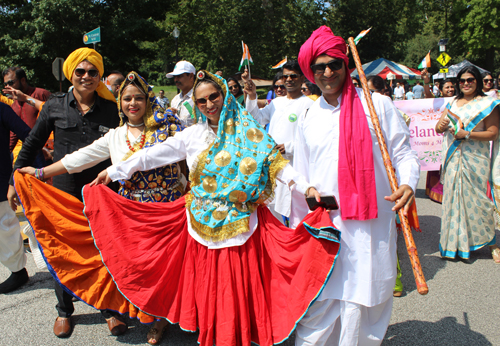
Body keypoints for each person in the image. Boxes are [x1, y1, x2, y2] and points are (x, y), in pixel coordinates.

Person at [23, 70, 341, 346]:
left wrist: (307, 187)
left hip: (244, 224)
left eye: (213, 96)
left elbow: (277, 165)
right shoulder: (192, 135)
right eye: (201, 101)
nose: (208, 104)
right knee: (212, 288)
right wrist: (114, 171)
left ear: (223, 95)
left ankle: (238, 335)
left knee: (237, 287)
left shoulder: (249, 133)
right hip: (200, 225)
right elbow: (152, 155)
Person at [15, 71, 185, 345]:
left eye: (139, 97)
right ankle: (149, 314)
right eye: (127, 98)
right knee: (142, 267)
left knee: (167, 267)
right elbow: (78, 159)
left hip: (166, 209)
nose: (133, 103)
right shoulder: (116, 136)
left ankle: (165, 318)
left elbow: (192, 153)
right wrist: (40, 173)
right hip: (131, 210)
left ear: (148, 100)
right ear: (120, 104)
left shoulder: (165, 128)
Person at [294, 25, 419, 345]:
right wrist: (307, 194)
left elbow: (405, 155)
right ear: (310, 72)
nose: (327, 72)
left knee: (366, 302)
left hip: (371, 227)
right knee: (319, 306)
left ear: (344, 64)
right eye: (318, 67)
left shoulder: (377, 105)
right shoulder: (308, 114)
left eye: (333, 63)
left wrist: (408, 184)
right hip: (327, 227)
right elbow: (300, 173)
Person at [9, 48, 125, 339]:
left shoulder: (112, 109)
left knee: (103, 249)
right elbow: (33, 142)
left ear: (100, 76)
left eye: (93, 72)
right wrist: (15, 178)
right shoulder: (55, 105)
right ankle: (64, 311)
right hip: (62, 192)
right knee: (63, 251)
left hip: (101, 191)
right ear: (71, 74)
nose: (86, 77)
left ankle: (109, 308)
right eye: (80, 72)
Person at [435, 65, 500, 262]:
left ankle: (491, 242)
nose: (466, 84)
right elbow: (439, 128)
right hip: (453, 159)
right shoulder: (453, 103)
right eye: (462, 81)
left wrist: (468, 134)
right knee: (454, 201)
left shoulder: (488, 103)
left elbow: (493, 133)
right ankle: (455, 244)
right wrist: (441, 126)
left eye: (470, 80)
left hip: (476, 160)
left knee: (480, 202)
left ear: (478, 82)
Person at [243, 60, 314, 223]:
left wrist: (288, 147)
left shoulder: (309, 104)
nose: (288, 79)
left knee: (297, 212)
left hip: (297, 165)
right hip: (273, 167)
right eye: (285, 76)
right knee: (273, 211)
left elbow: (313, 138)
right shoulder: (276, 102)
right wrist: (252, 96)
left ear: (302, 78)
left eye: (293, 76)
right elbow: (255, 119)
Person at [0, 103, 31, 294]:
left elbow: (28, 135)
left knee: (5, 227)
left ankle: (18, 271)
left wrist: (17, 169)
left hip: (0, 180)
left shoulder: (1, 109)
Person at [421, 69, 456, 204]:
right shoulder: (439, 101)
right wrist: (426, 82)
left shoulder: (459, 100)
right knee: (436, 164)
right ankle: (437, 191)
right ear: (441, 90)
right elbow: (428, 94)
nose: (450, 89)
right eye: (447, 87)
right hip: (438, 138)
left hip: (454, 137)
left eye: (452, 87)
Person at [2, 67, 51, 157]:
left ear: (23, 80)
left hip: (48, 152)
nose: (8, 87)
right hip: (30, 153)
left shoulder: (41, 94)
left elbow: (58, 116)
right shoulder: (14, 104)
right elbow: (13, 134)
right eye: (5, 84)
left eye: (10, 83)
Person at [167, 60, 196, 127]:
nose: (175, 80)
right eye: (175, 77)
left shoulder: (199, 98)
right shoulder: (175, 99)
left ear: (191, 76)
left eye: (179, 76)